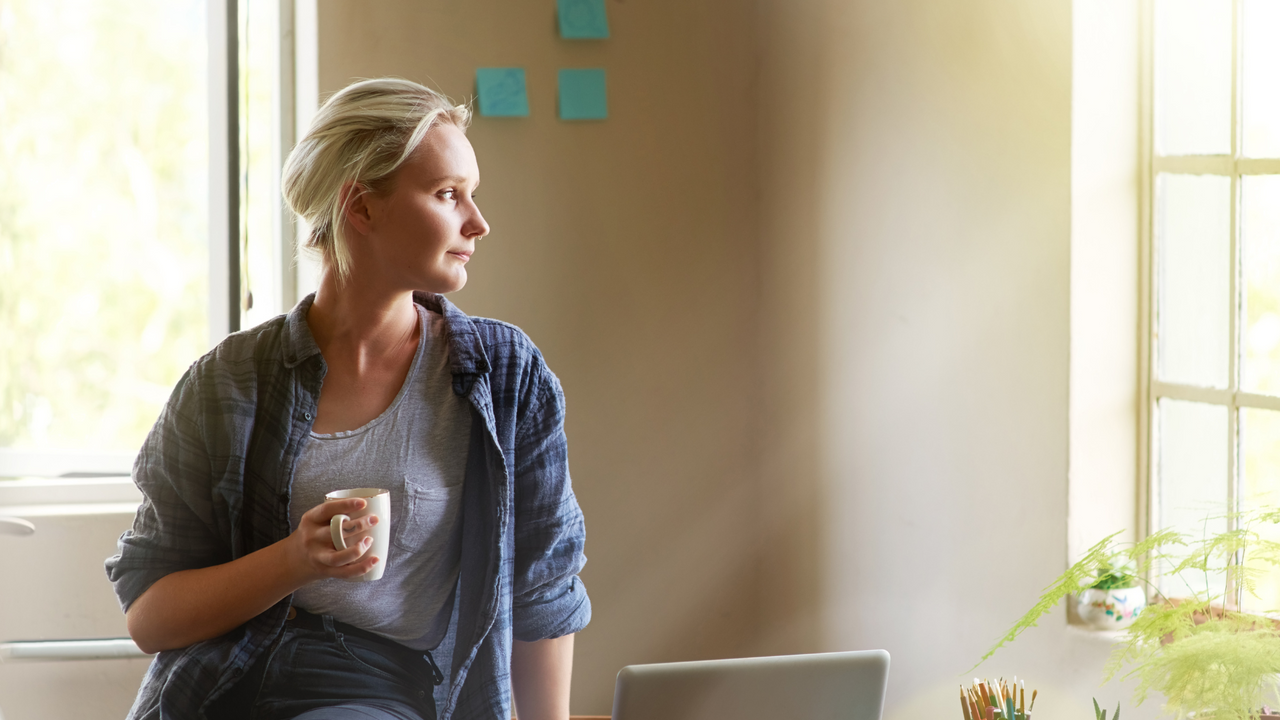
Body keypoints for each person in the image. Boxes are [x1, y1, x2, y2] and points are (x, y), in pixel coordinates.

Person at [105, 77, 591, 720]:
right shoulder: (226, 383)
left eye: (471, 194)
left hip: (375, 691)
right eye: (448, 194)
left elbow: (543, 593)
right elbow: (150, 617)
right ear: (361, 207)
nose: (478, 222)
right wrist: (294, 560)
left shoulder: (506, 377)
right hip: (215, 692)